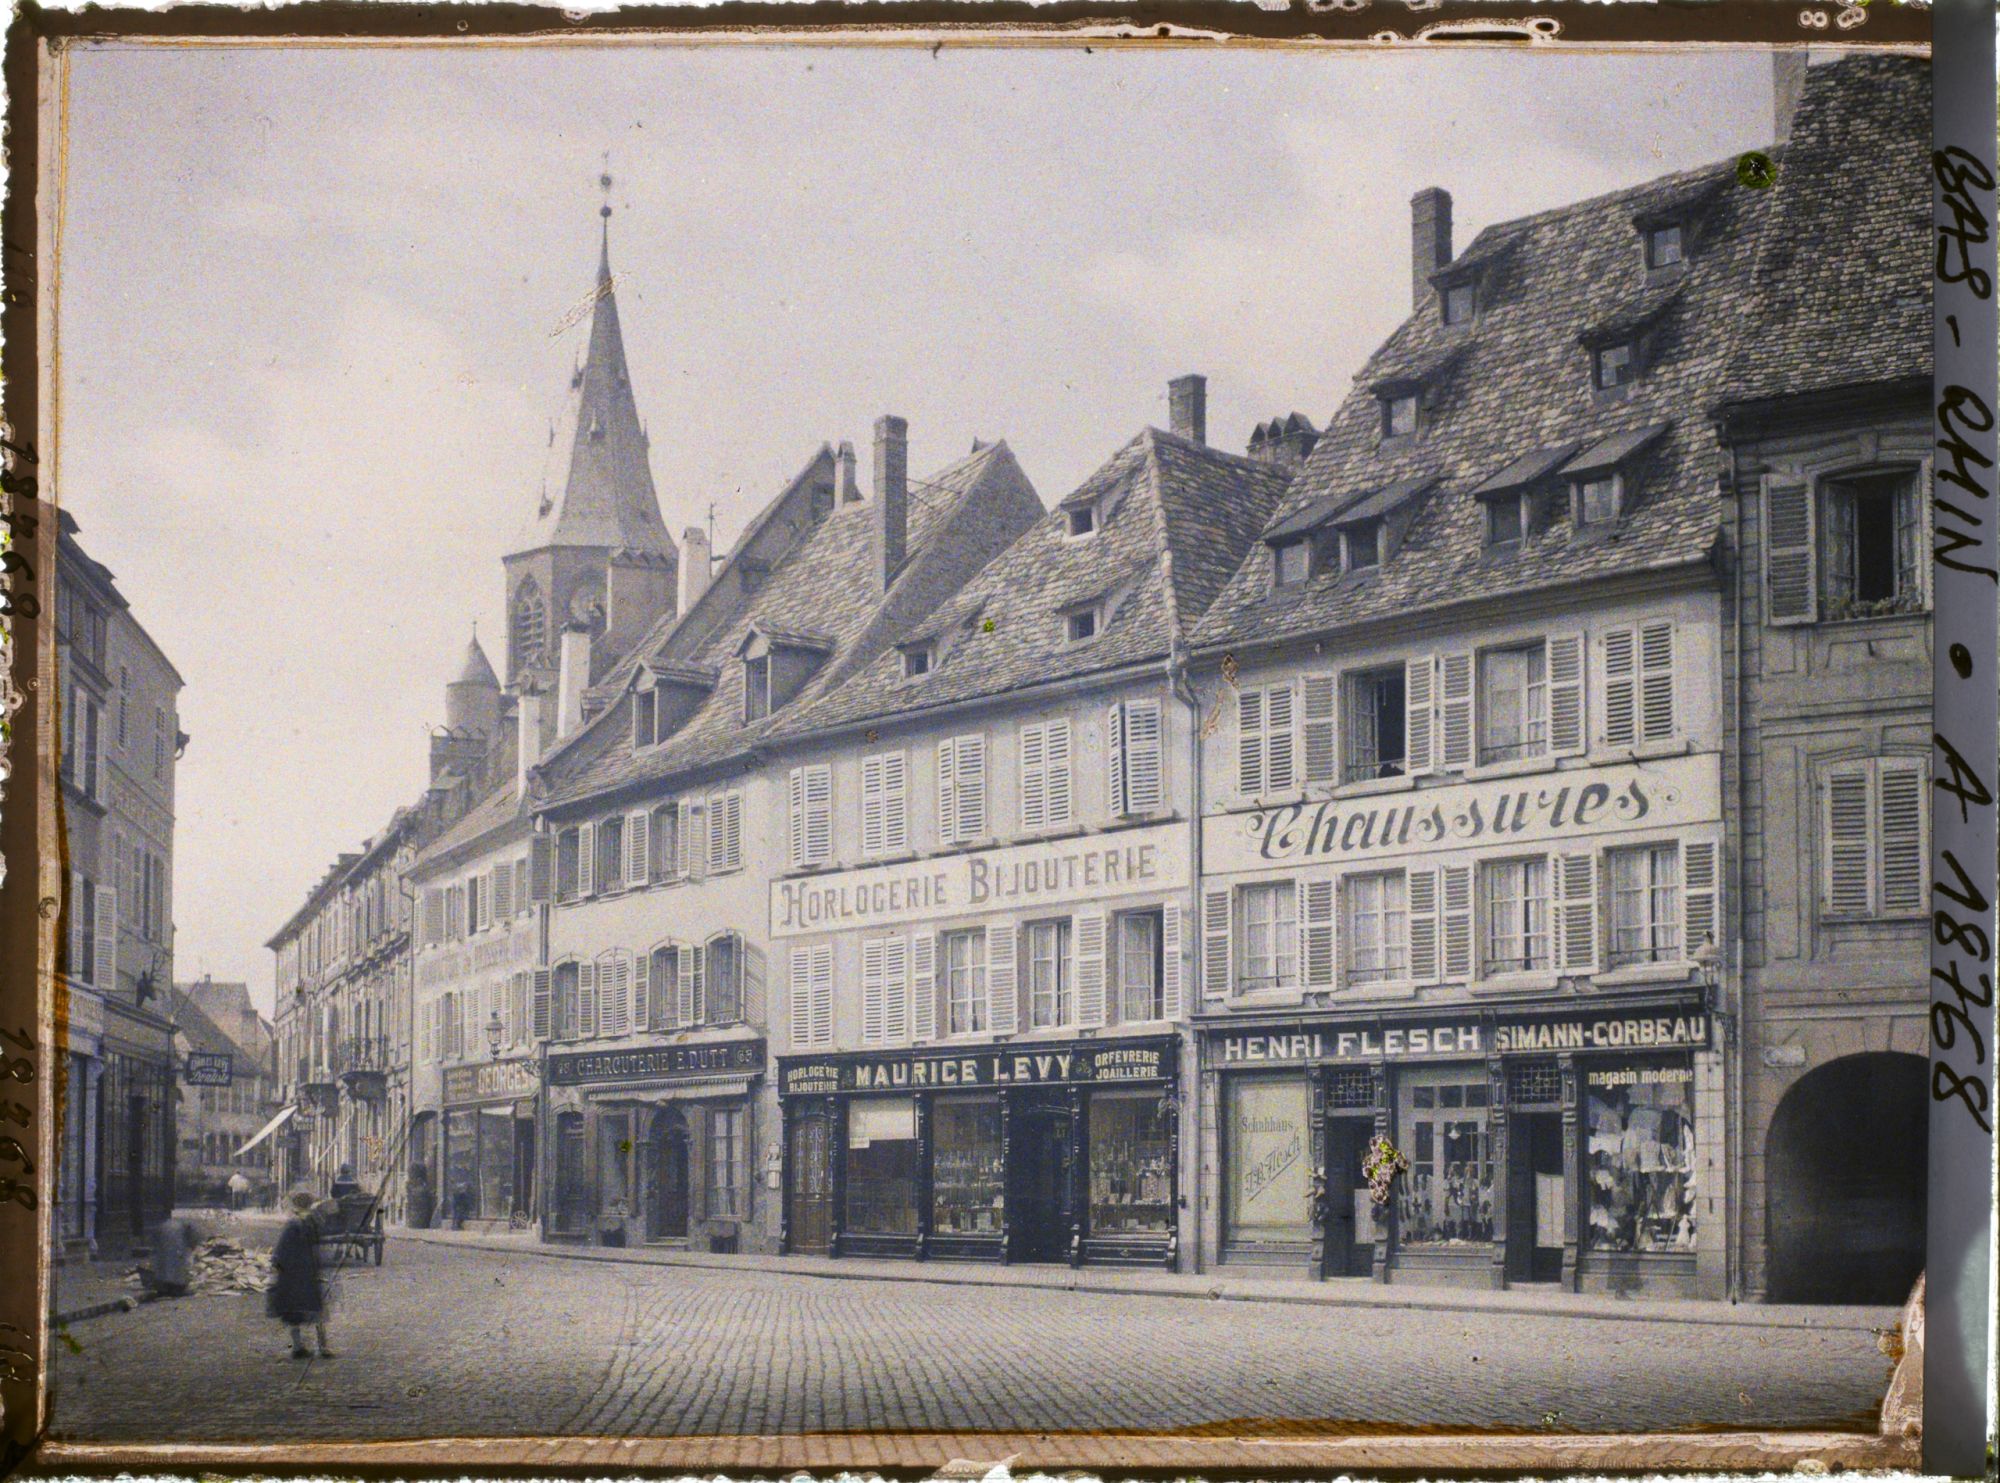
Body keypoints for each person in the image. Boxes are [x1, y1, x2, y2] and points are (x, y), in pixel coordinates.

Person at [268, 1188, 332, 1359]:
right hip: (309, 1271)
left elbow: (281, 1250)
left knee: (293, 1312)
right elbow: (318, 1248)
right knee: (316, 1308)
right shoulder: (313, 1222)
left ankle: (297, 1347)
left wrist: (276, 1267)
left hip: (292, 1274)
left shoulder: (292, 1224)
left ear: (295, 1205)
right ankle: (322, 1347)